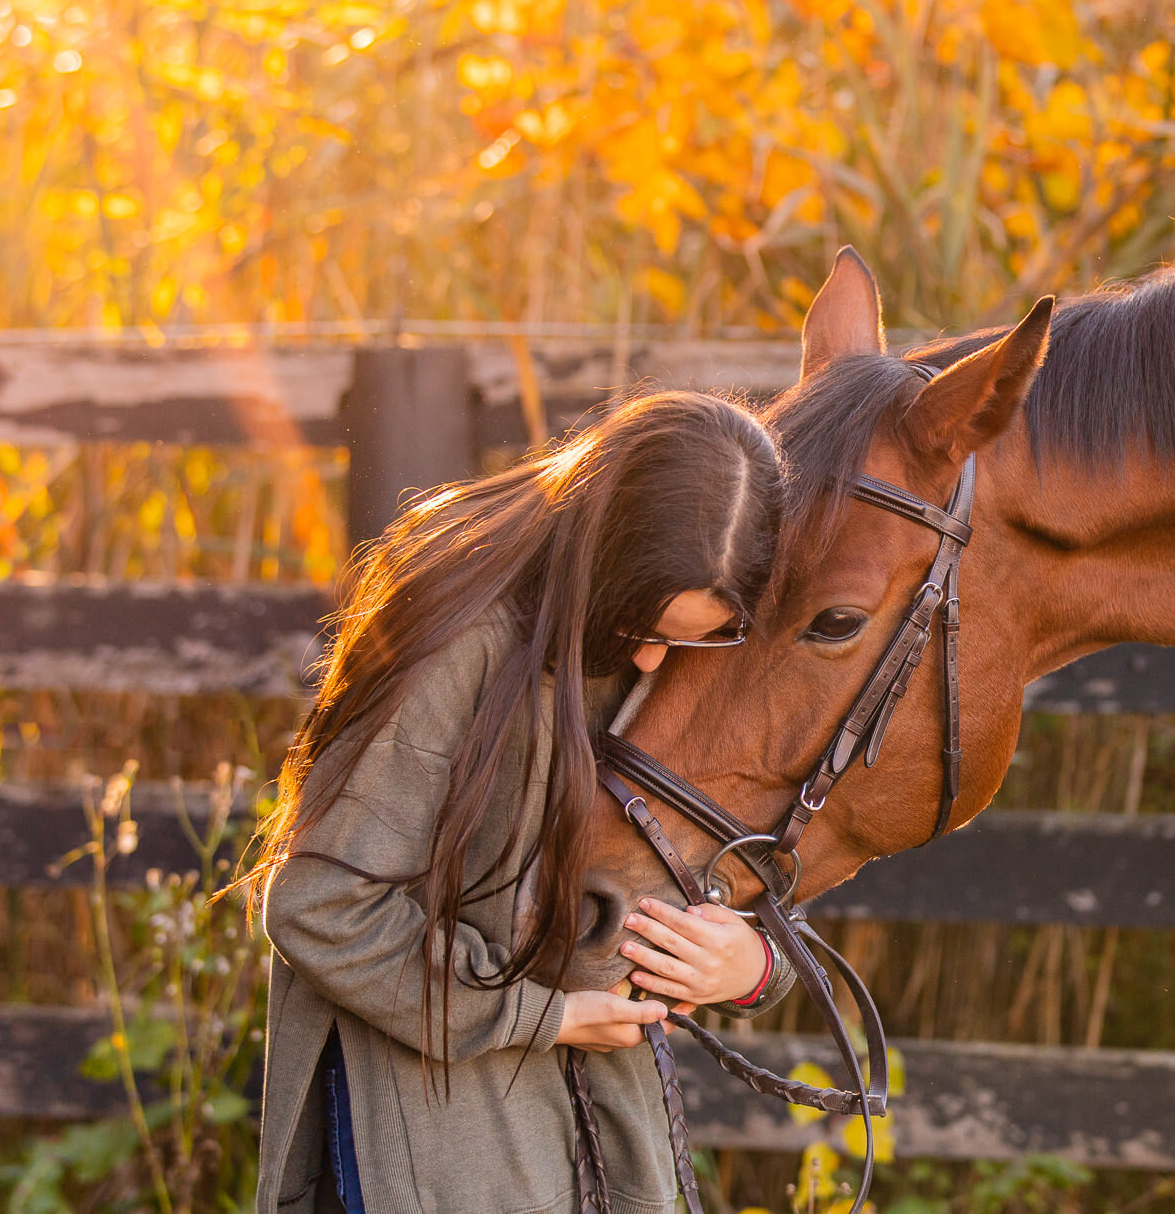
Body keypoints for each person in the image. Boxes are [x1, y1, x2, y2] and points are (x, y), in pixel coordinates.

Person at [241, 390, 794, 1214]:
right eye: (640, 623)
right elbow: (319, 907)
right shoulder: (460, 638)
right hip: (435, 1138)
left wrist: (750, 966)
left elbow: (740, 864)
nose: (649, 662)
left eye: (679, 636)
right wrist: (545, 1015)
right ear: (604, 547)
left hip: (604, 1136)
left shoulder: (699, 650)